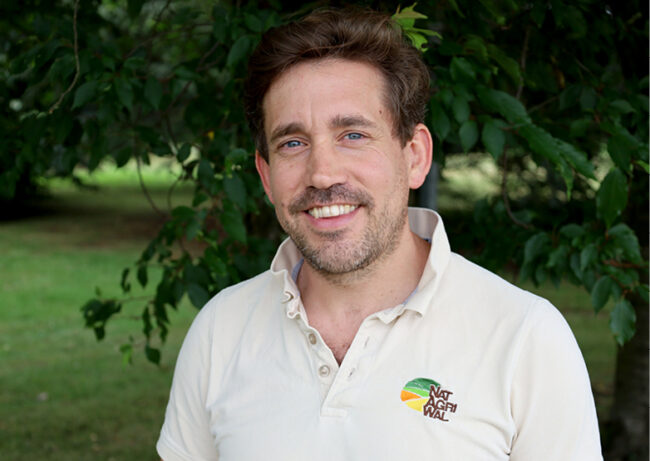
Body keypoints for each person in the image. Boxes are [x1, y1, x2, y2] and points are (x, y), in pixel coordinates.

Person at [157, 8, 602, 460]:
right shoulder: (220, 330)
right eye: (293, 143)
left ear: (415, 156)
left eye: (352, 135)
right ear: (266, 176)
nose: (322, 173)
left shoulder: (525, 338)